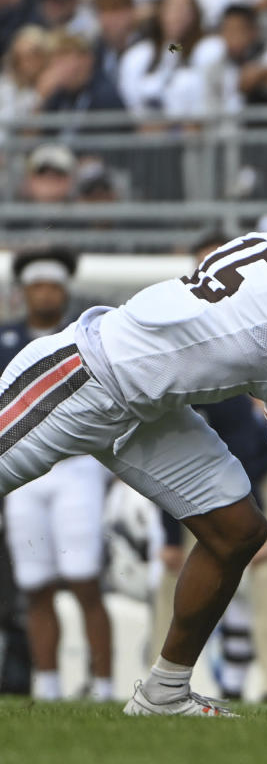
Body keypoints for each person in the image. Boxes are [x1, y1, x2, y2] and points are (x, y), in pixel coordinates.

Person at [0, 176, 267, 716]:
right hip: (84, 374)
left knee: (238, 531)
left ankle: (164, 693)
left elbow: (250, 329)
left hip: (147, 406)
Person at [0, 248, 112, 702]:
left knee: (84, 577)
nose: (45, 292)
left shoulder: (84, 335)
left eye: (53, 285)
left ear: (65, 289)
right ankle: (46, 686)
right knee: (34, 582)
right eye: (37, 285)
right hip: (23, 470)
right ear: (23, 291)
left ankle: (103, 685)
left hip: (76, 465)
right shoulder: (5, 339)